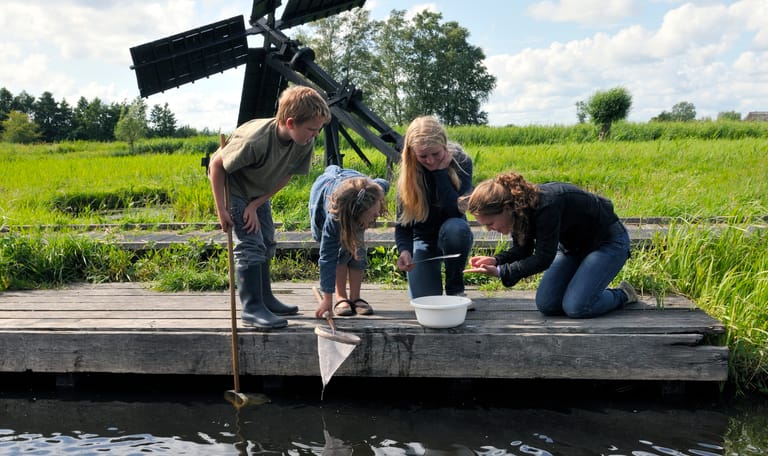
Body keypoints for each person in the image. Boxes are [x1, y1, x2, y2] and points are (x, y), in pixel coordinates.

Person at [209, 85, 331, 328]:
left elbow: (286, 175)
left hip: (257, 192)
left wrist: (256, 205)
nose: (315, 135)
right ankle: (252, 308)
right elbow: (216, 166)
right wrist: (222, 209)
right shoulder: (255, 140)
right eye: (311, 129)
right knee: (250, 243)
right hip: (232, 188)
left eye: (318, 130)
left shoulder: (304, 140)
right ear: (290, 122)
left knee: (267, 239)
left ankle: (265, 299)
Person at [461, 172, 639, 318]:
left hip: (606, 242)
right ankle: (584, 288)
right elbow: (523, 249)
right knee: (547, 304)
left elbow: (543, 258)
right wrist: (496, 260)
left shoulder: (546, 204)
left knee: (577, 307)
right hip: (573, 247)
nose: (489, 229)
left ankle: (623, 294)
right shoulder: (518, 209)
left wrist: (501, 272)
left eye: (490, 223)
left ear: (506, 208)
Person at [394, 116, 474, 299]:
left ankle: (455, 288)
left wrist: (440, 174)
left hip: (454, 232)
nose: (430, 161)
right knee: (425, 298)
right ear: (412, 152)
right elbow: (403, 225)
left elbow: (456, 211)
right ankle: (426, 274)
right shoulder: (408, 173)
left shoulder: (461, 162)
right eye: (423, 156)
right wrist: (405, 251)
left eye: (436, 154)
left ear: (444, 146)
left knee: (455, 228)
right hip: (422, 239)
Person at [309, 165, 390, 318]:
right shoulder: (335, 218)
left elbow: (385, 184)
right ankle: (341, 297)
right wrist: (327, 300)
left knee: (358, 250)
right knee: (340, 252)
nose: (378, 214)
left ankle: (355, 297)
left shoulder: (375, 190)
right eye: (373, 215)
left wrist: (370, 215)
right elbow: (327, 258)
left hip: (352, 191)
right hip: (328, 199)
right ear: (355, 216)